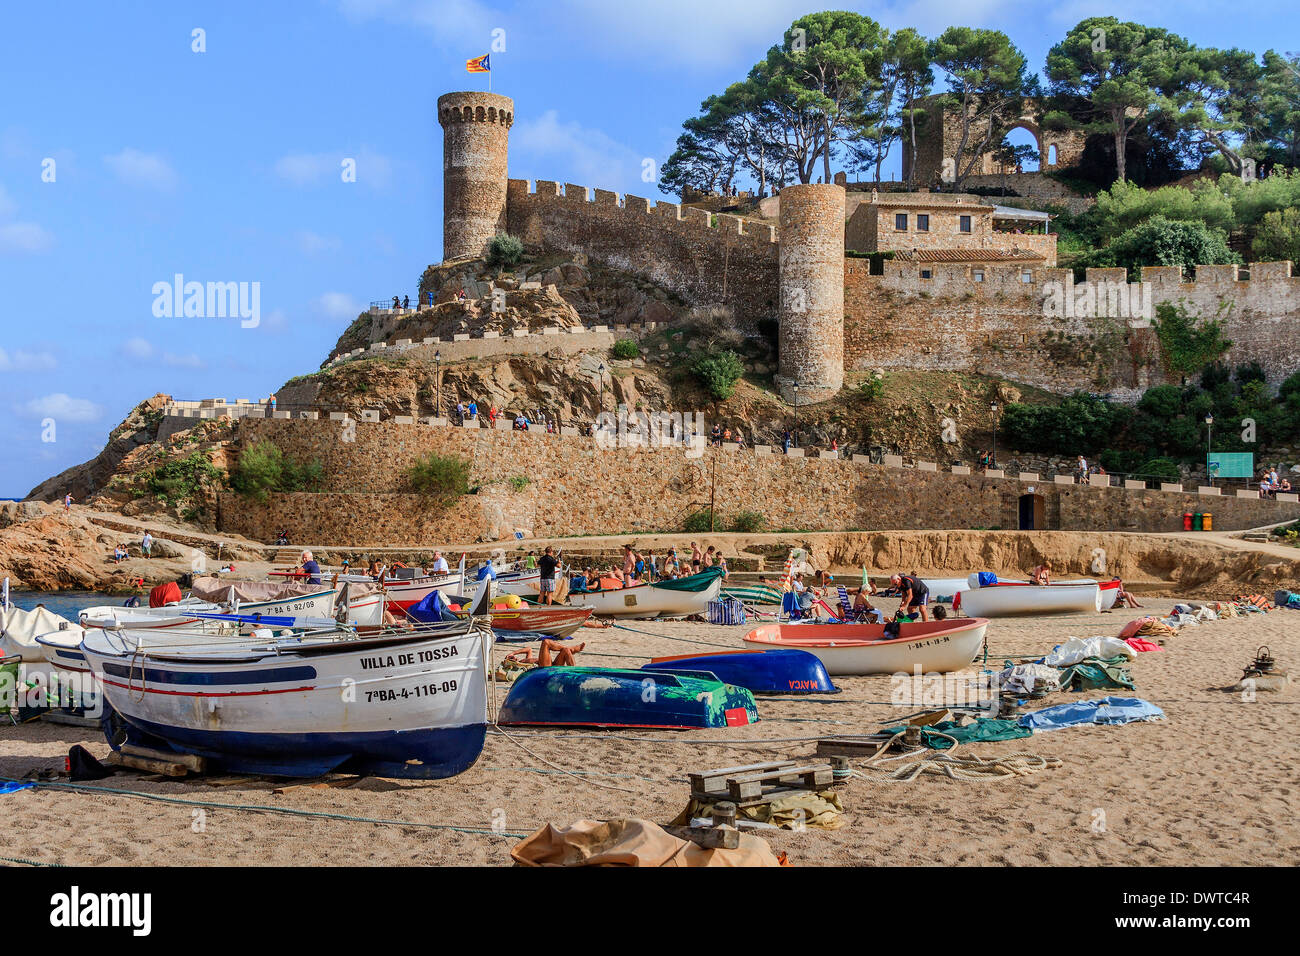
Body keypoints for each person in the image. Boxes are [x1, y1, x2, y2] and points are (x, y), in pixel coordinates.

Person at [504, 640, 586, 668]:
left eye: (512, 657)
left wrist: (513, 653)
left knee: (566, 650)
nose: (514, 658)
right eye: (512, 659)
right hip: (544, 668)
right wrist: (508, 662)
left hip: (551, 664)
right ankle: (573, 649)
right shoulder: (520, 664)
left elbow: (528, 649)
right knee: (546, 642)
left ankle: (575, 672)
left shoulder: (525, 659)